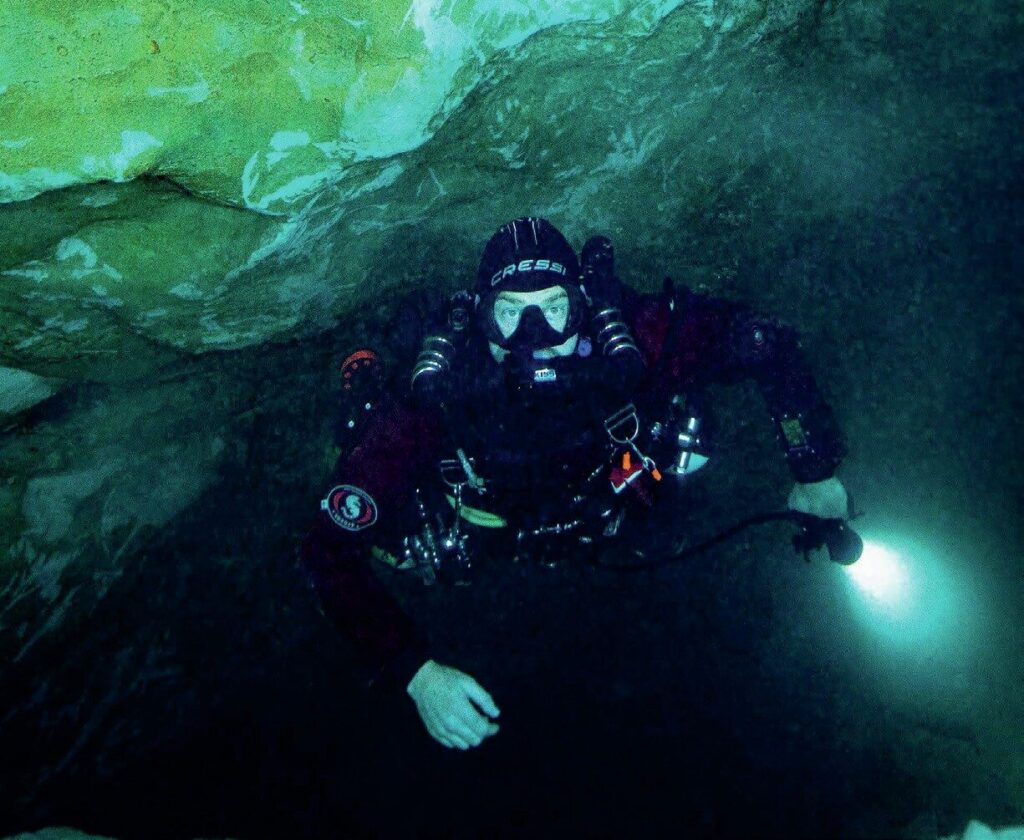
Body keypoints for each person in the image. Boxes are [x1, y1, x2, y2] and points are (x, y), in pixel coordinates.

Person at [300, 217, 851, 751]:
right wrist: (414, 671)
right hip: (488, 547)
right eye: (511, 312)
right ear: (480, 319)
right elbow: (326, 549)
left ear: (584, 308)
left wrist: (814, 471)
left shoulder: (627, 336)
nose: (535, 337)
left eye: (554, 308)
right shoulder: (438, 394)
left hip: (619, 515)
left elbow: (762, 341)